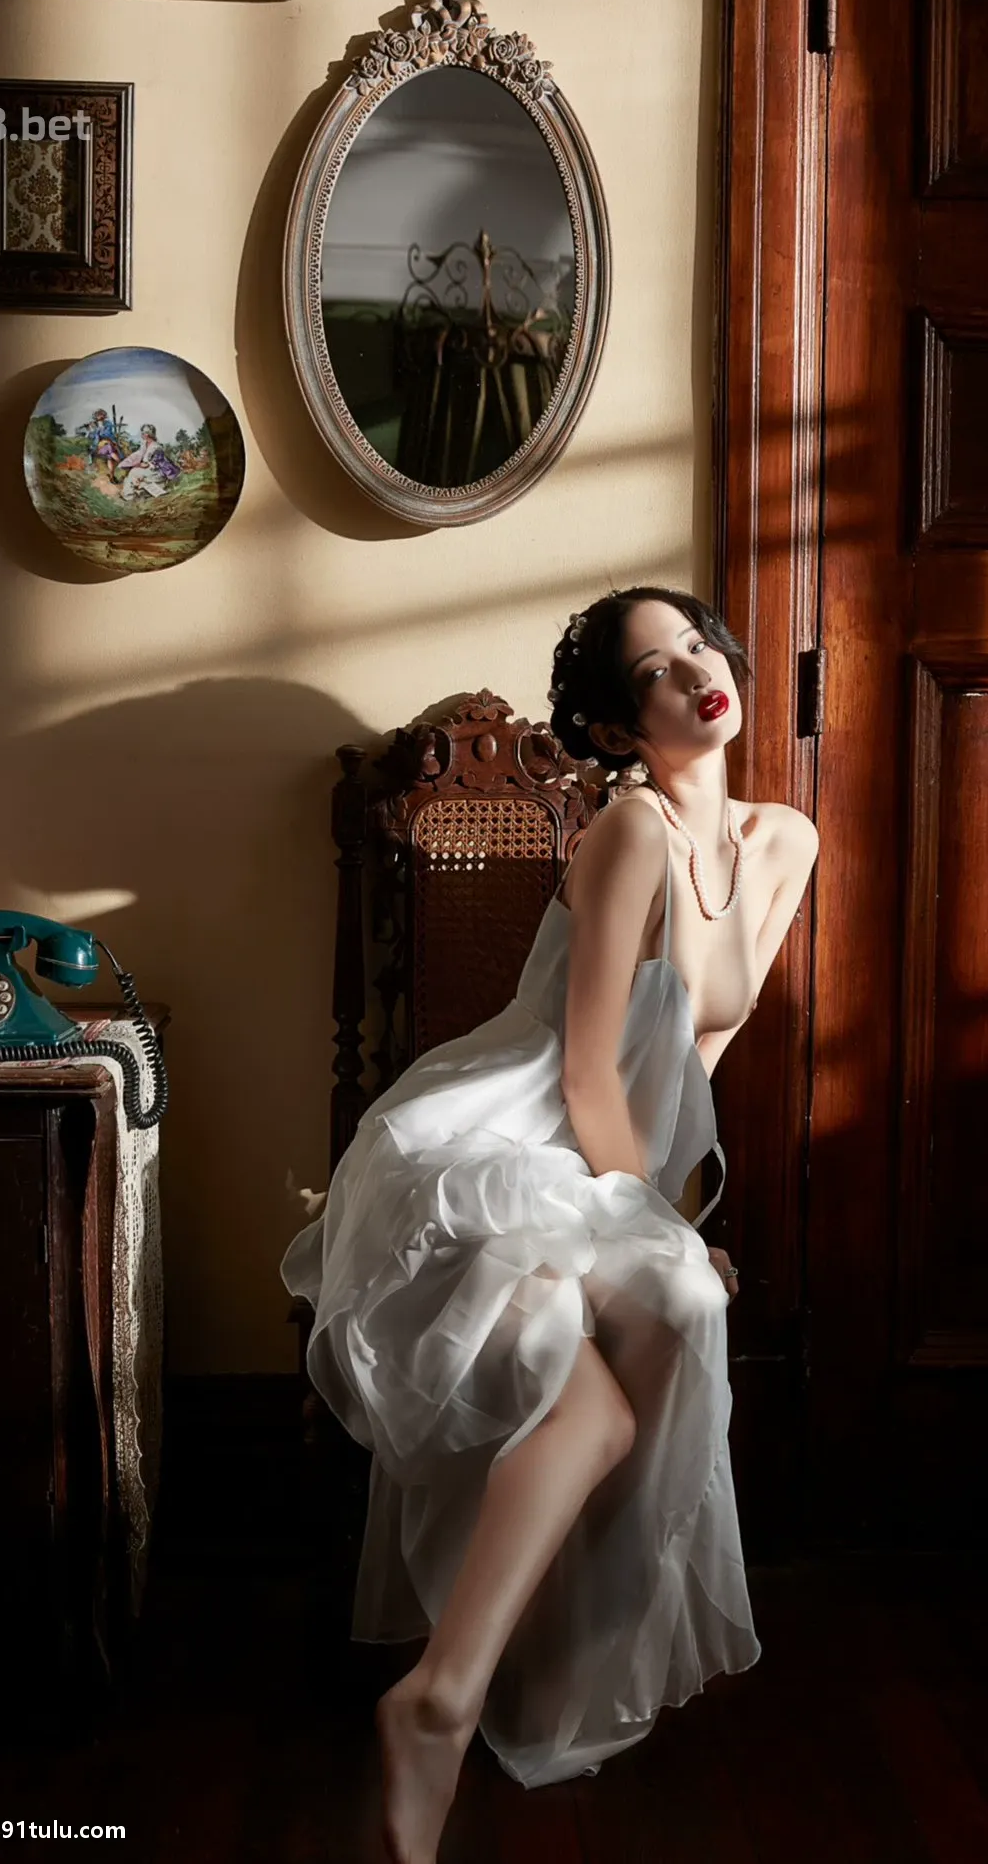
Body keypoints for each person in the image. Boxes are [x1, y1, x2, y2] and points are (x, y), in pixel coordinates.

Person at [280, 587, 819, 1864]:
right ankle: (440, 1701)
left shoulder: (783, 841)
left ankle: (540, 1671)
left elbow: (693, 1054)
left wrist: (670, 1224)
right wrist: (648, 1223)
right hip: (492, 1147)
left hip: (604, 1161)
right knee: (596, 1405)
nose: (694, 672)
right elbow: (584, 1071)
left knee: (677, 1313)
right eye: (653, 671)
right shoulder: (627, 830)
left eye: (697, 644)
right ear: (618, 727)